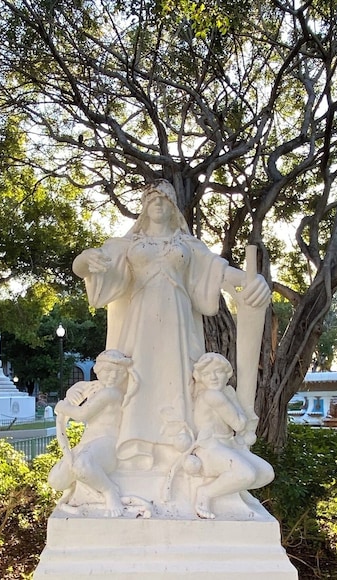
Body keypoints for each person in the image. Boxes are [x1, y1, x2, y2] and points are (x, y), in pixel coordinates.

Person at [72, 180, 269, 470]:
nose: (159, 204)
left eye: (165, 199)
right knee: (140, 379)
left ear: (173, 206)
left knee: (178, 377)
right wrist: (84, 260)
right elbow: (86, 267)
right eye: (152, 199)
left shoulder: (187, 245)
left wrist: (252, 282)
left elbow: (218, 270)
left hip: (178, 323)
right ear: (144, 207)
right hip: (139, 324)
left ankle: (181, 447)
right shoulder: (129, 244)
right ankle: (136, 448)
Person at [48, 349, 136, 516]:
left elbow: (82, 414)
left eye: (118, 373)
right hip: (88, 444)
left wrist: (62, 406)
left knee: (81, 464)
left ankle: (109, 491)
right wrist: (71, 391)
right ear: (98, 372)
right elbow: (82, 391)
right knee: (56, 480)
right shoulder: (97, 388)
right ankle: (83, 486)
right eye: (108, 372)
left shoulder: (111, 393)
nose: (112, 377)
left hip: (108, 445)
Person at [185, 353, 274, 519]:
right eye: (206, 373)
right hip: (210, 449)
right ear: (200, 377)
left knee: (266, 473)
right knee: (246, 474)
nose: (212, 377)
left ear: (227, 374)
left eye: (218, 371)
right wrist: (233, 398)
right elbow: (239, 424)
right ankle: (205, 493)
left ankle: (236, 490)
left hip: (227, 445)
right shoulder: (213, 395)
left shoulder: (221, 393)